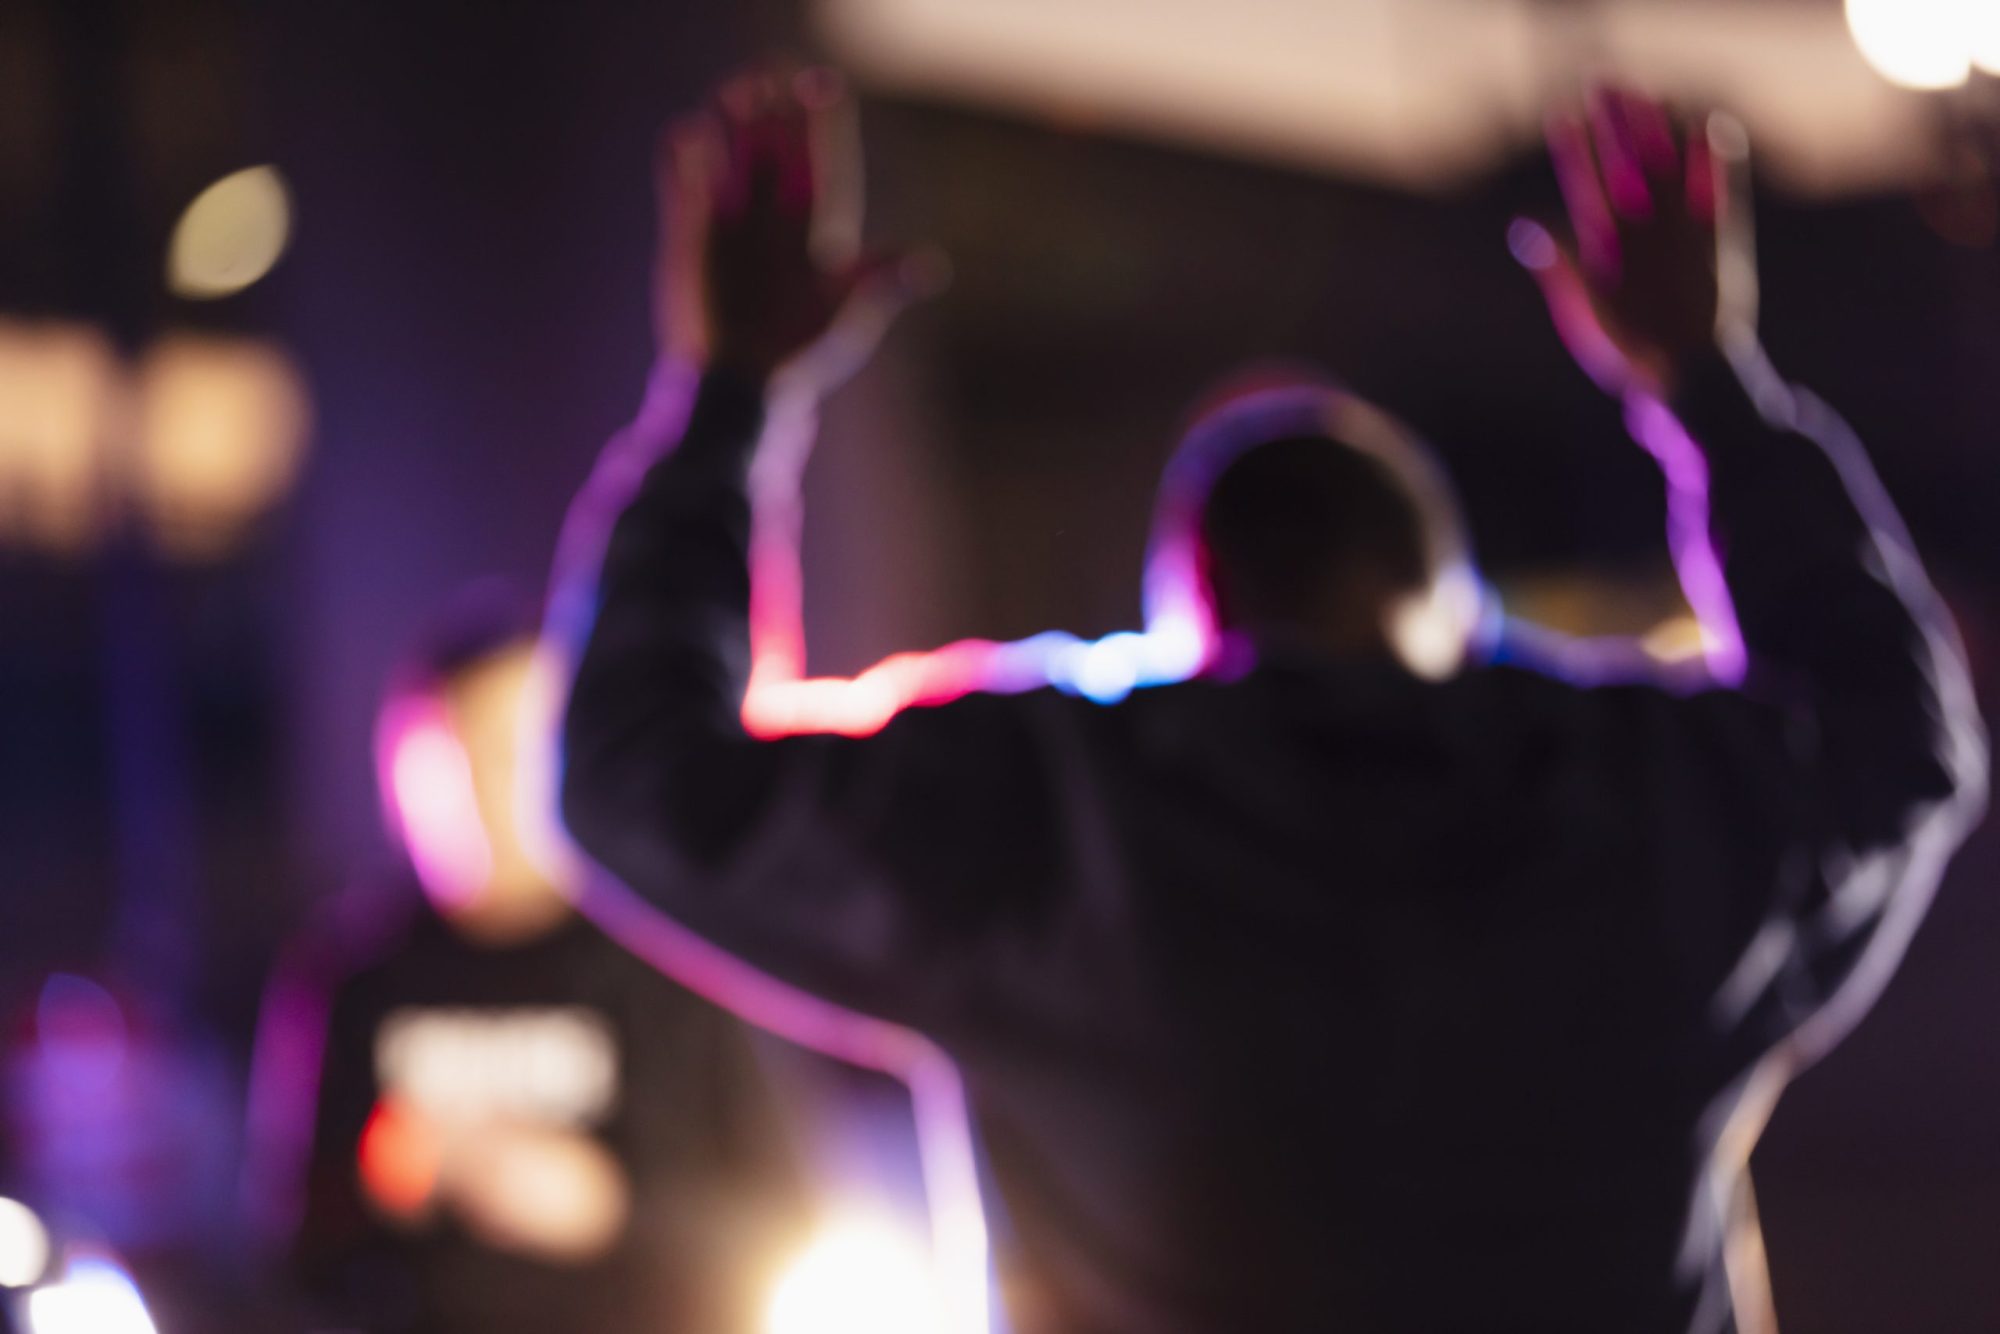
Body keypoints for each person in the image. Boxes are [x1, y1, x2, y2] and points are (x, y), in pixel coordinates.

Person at [555, 72, 1987, 1334]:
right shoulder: (1644, 795)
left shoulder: (1056, 809)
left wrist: (731, 393)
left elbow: (637, 775)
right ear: (1451, 605)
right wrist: (1707, 380)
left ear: (1194, 614)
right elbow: (1903, 739)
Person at [256, 590, 807, 1334]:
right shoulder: (357, 976)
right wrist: (391, 1183)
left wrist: (605, 1208)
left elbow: (783, 1219)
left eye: (516, 749)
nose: (489, 787)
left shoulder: (667, 958)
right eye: (462, 753)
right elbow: (290, 1248)